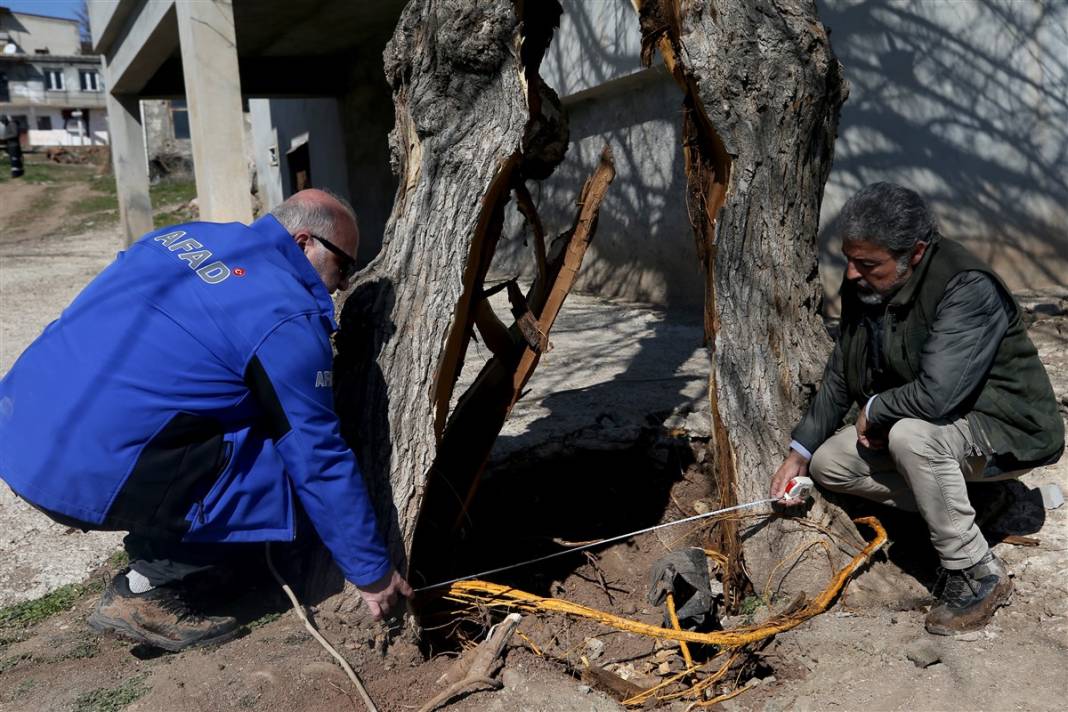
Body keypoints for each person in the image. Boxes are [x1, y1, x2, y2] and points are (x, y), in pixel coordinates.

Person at [0, 189, 412, 651]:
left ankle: (205, 562)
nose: (342, 285)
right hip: (81, 469)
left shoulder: (183, 236)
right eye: (345, 266)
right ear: (303, 244)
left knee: (219, 403)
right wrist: (372, 573)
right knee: (271, 442)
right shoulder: (285, 316)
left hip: (20, 426)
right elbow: (317, 456)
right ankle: (148, 584)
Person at [770, 182, 1063, 635]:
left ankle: (975, 573)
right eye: (848, 259)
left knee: (911, 436)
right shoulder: (866, 284)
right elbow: (840, 371)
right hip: (934, 423)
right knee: (831, 464)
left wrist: (878, 406)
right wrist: (800, 452)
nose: (851, 274)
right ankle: (973, 503)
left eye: (867, 264)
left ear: (917, 252)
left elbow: (937, 395)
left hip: (1007, 427)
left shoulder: (966, 287)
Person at [0, 113, 24, 178]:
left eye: (3, 121)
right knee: (13, 160)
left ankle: (17, 174)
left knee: (15, 159)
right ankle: (16, 173)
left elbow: (15, 134)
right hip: (10, 145)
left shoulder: (12, 124)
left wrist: (5, 137)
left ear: (6, 119)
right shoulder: (7, 125)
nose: (2, 122)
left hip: (14, 145)